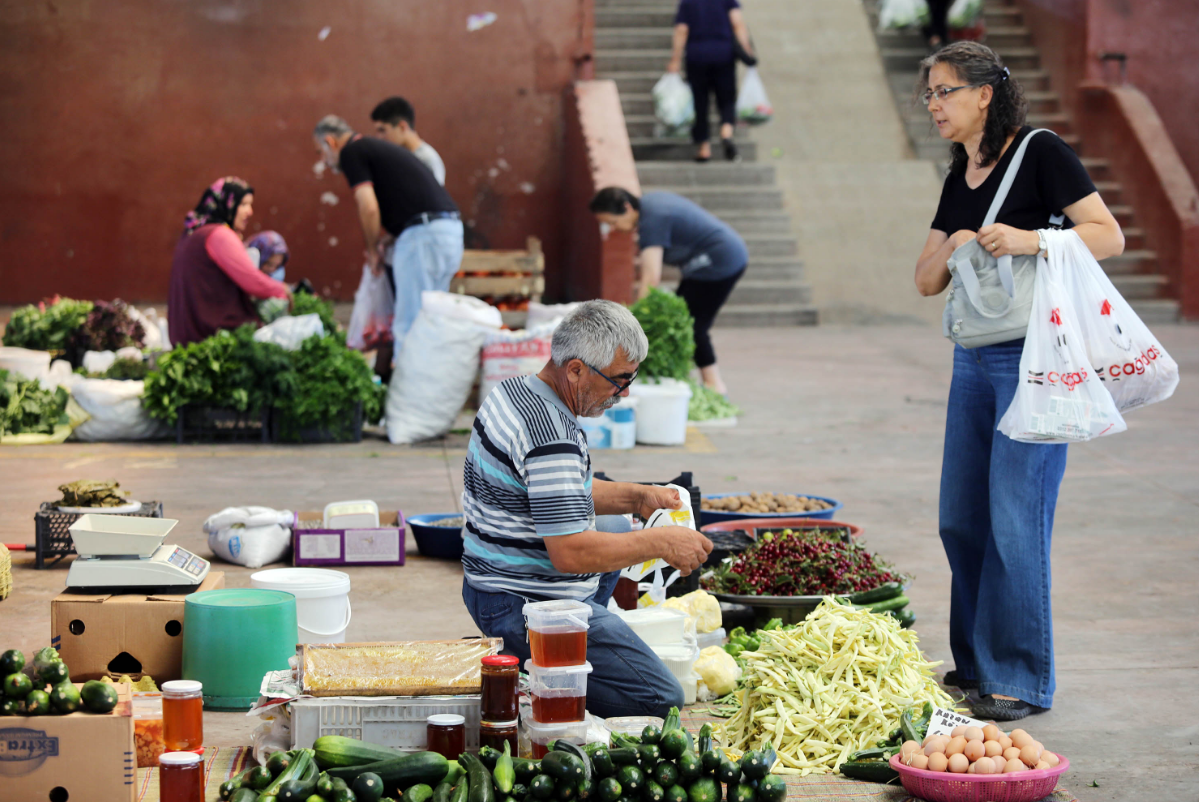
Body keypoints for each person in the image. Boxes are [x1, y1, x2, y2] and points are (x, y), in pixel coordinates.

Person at [913, 43, 1124, 721]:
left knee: (1014, 520)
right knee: (960, 517)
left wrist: (1029, 239)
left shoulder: (1039, 152)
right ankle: (976, 662)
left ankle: (1021, 679)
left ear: (983, 94)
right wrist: (958, 241)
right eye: (927, 95)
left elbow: (1107, 235)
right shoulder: (960, 172)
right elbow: (924, 279)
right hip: (971, 359)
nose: (933, 105)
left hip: (1035, 360)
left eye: (943, 91)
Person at [460, 301, 714, 718]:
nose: (625, 392)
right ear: (575, 370)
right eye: (619, 380)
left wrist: (637, 497)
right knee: (662, 698)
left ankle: (572, 645)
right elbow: (571, 552)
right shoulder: (551, 438)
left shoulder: (517, 390)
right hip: (518, 605)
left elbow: (558, 492)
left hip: (487, 584)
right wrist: (660, 542)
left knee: (615, 522)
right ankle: (535, 675)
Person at [313, 115, 463, 352]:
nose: (324, 159)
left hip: (423, 236)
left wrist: (372, 251)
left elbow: (369, 207)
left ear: (331, 142)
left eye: (321, 151)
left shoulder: (352, 152)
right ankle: (428, 385)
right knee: (430, 319)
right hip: (448, 232)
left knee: (410, 323)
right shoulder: (375, 149)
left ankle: (409, 389)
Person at [590, 187, 746, 396]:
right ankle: (687, 382)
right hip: (708, 263)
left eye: (612, 221)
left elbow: (651, 277)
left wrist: (637, 322)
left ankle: (715, 387)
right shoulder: (650, 207)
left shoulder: (652, 220)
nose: (612, 228)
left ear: (627, 208)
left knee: (691, 325)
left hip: (720, 261)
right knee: (681, 321)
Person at [168, 177, 289, 347]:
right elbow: (252, 281)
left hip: (185, 332)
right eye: (243, 204)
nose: (250, 211)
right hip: (209, 333)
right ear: (226, 203)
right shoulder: (219, 234)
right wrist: (284, 290)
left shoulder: (193, 231)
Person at [667, 0, 755, 162]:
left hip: (697, 56)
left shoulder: (688, 3)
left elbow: (681, 29)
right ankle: (726, 133)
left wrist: (675, 59)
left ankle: (704, 147)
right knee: (727, 98)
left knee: (700, 102)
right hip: (724, 54)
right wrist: (746, 48)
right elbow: (737, 23)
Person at [371, 96, 446, 185]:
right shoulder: (397, 157)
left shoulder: (427, 160)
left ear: (402, 127)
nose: (379, 137)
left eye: (382, 130)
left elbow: (432, 197)